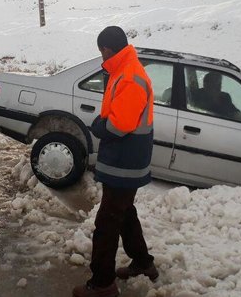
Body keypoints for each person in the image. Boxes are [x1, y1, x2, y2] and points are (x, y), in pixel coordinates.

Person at [73, 26, 158, 297]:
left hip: (125, 162)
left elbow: (118, 125)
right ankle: (143, 263)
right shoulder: (123, 70)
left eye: (101, 51)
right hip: (124, 160)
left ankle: (102, 284)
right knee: (124, 213)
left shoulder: (130, 76)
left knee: (107, 223)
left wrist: (98, 125)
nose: (101, 56)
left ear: (107, 49)